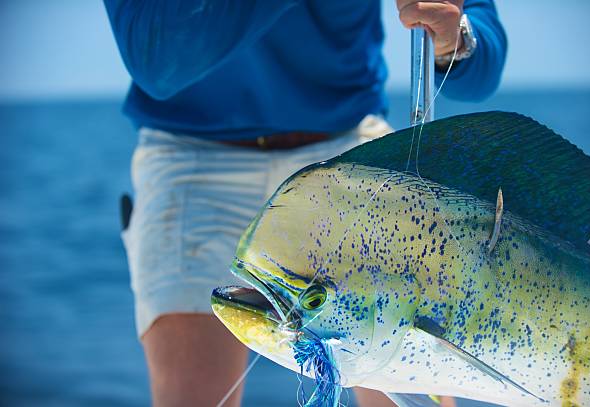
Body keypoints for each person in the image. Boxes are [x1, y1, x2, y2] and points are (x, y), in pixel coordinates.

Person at [104, 1, 506, 406]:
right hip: (192, 157)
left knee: (413, 385)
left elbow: (481, 71)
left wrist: (455, 40)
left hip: (347, 154)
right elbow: (156, 60)